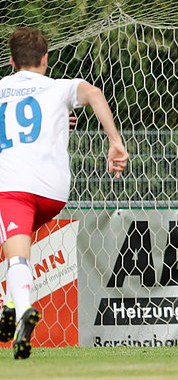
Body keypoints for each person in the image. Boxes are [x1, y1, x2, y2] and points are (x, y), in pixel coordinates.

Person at [0, 27, 129, 359]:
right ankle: (10, 302)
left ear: (12, 60)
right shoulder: (59, 88)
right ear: (45, 59)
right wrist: (115, 142)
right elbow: (96, 93)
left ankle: (22, 310)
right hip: (53, 193)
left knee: (16, 254)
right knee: (15, 243)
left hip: (13, 189)